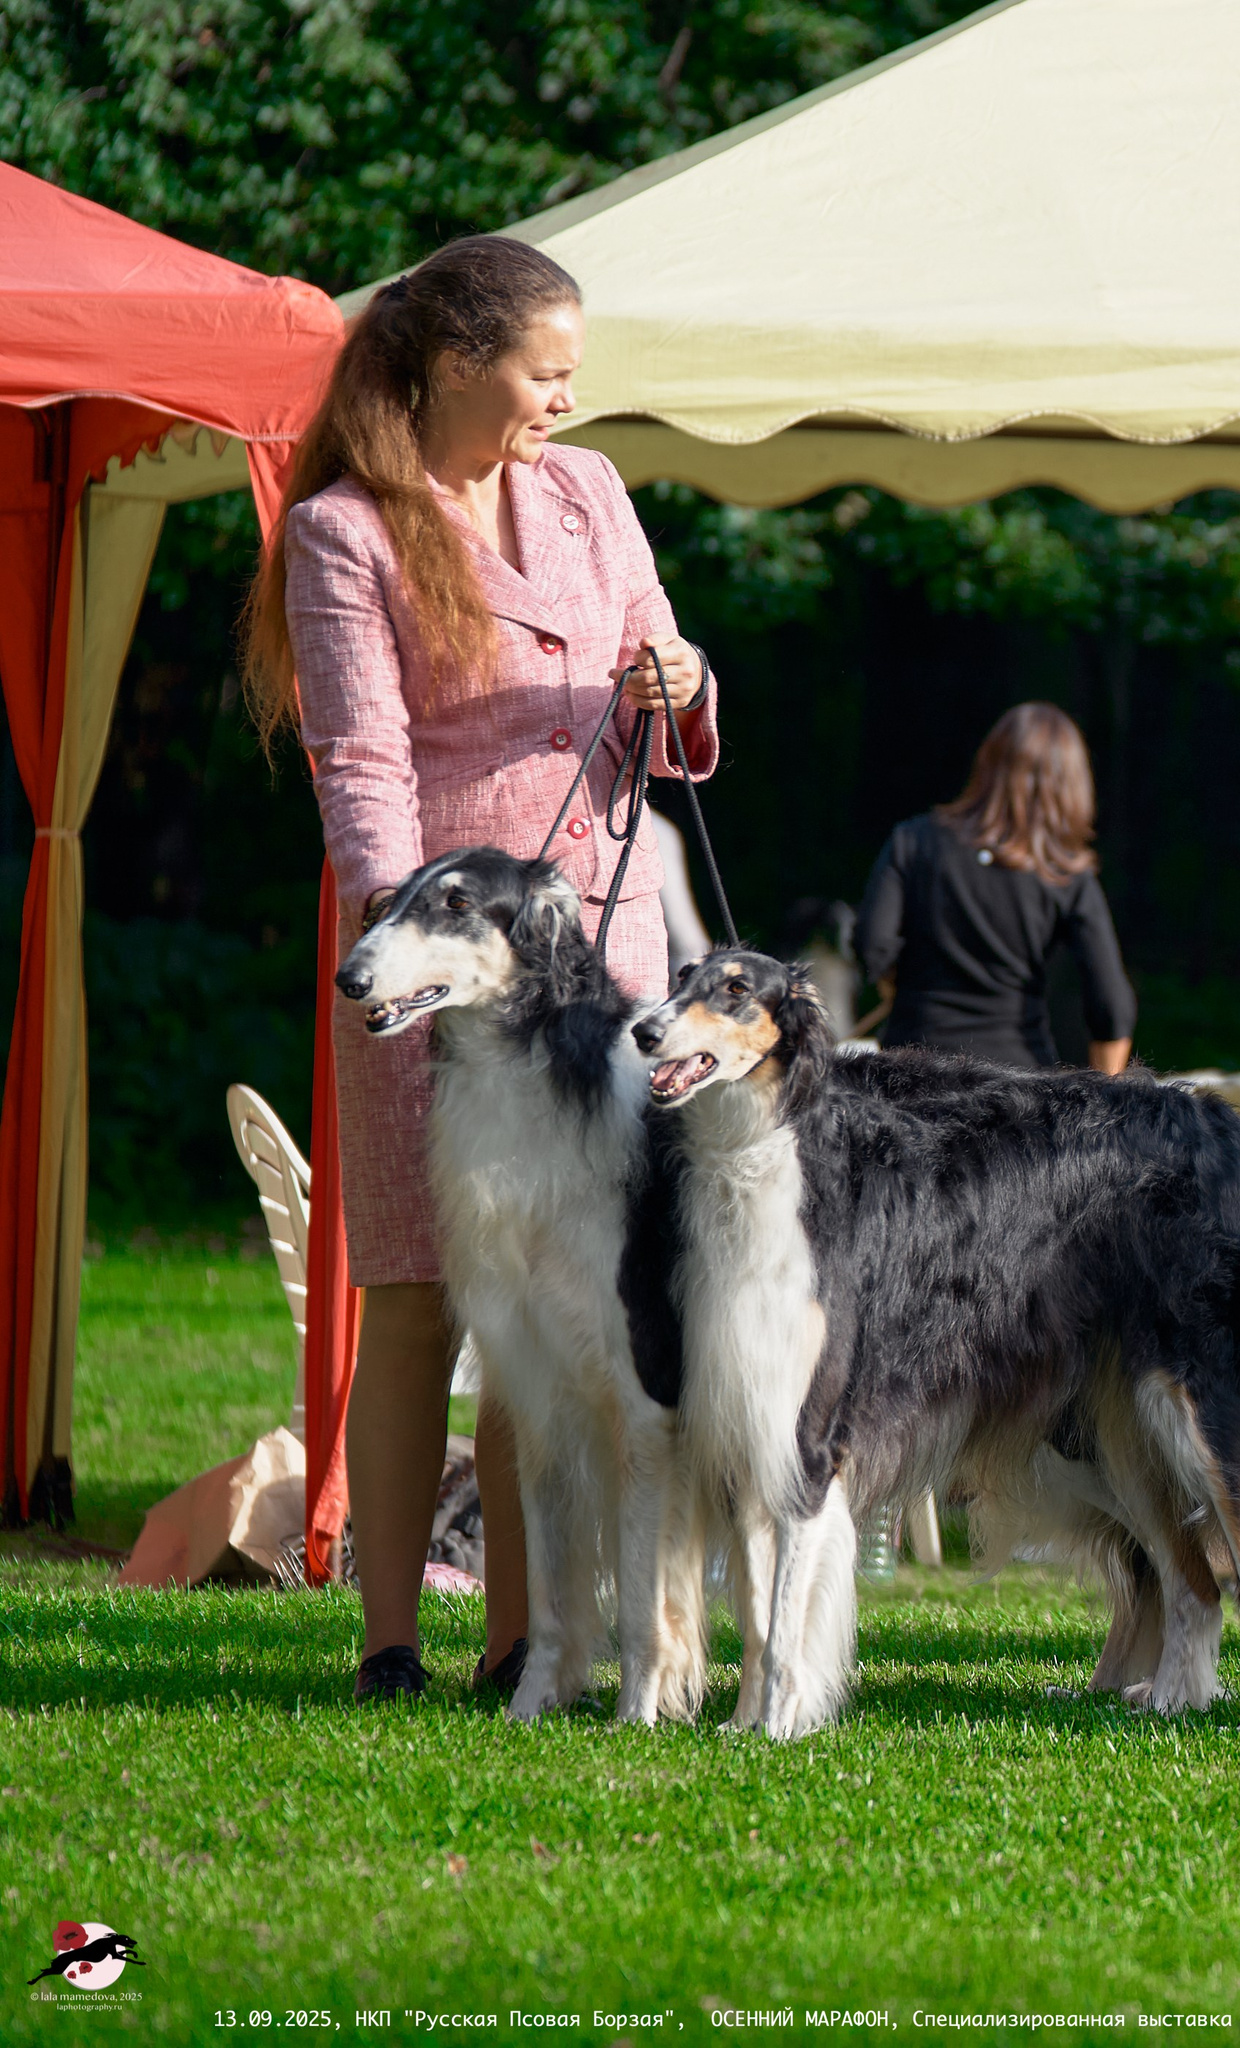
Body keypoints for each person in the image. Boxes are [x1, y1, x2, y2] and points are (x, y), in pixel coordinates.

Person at [245, 234, 719, 1701]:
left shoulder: (591, 495)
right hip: (437, 970)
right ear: (457, 364)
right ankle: (392, 1635)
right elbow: (364, 764)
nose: (569, 404)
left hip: (603, 961)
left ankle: (531, 1635)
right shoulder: (344, 530)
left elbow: (661, 687)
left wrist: (683, 685)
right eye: (547, 374)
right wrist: (413, 943)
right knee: (418, 1294)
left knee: (572, 1297)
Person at [857, 702, 1136, 1071]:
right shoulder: (1065, 873)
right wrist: (1108, 1107)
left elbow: (871, 945)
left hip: (908, 1074)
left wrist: (899, 988)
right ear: (1071, 784)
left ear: (987, 764)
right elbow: (1111, 1007)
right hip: (1016, 1087)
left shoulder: (914, 841)